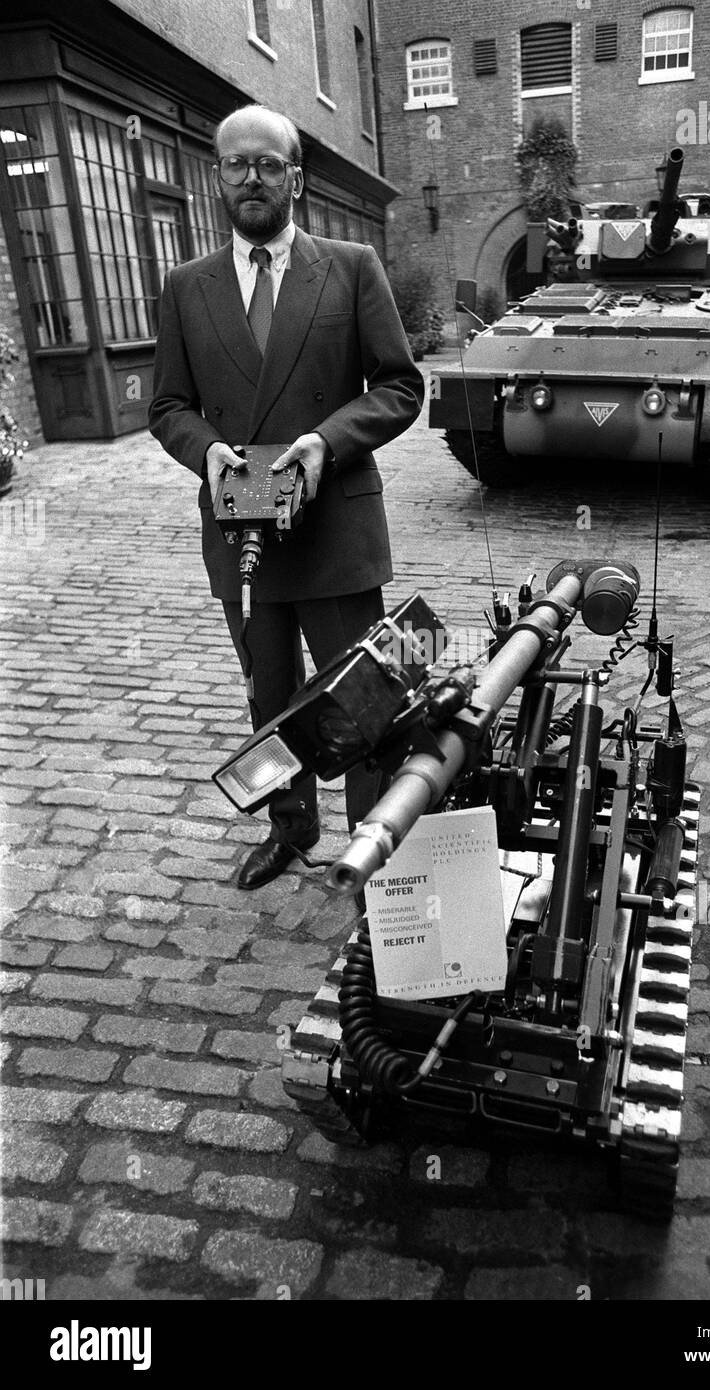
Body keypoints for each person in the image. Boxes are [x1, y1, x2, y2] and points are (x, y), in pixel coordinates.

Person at [149, 104, 424, 890]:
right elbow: (167, 406)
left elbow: (401, 385)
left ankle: (376, 843)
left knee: (365, 695)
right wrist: (207, 452)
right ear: (217, 177)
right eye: (237, 164)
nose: (252, 179)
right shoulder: (185, 286)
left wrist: (325, 443)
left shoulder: (349, 265)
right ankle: (289, 825)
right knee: (269, 700)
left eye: (268, 164)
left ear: (295, 179)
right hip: (244, 537)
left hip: (334, 528)